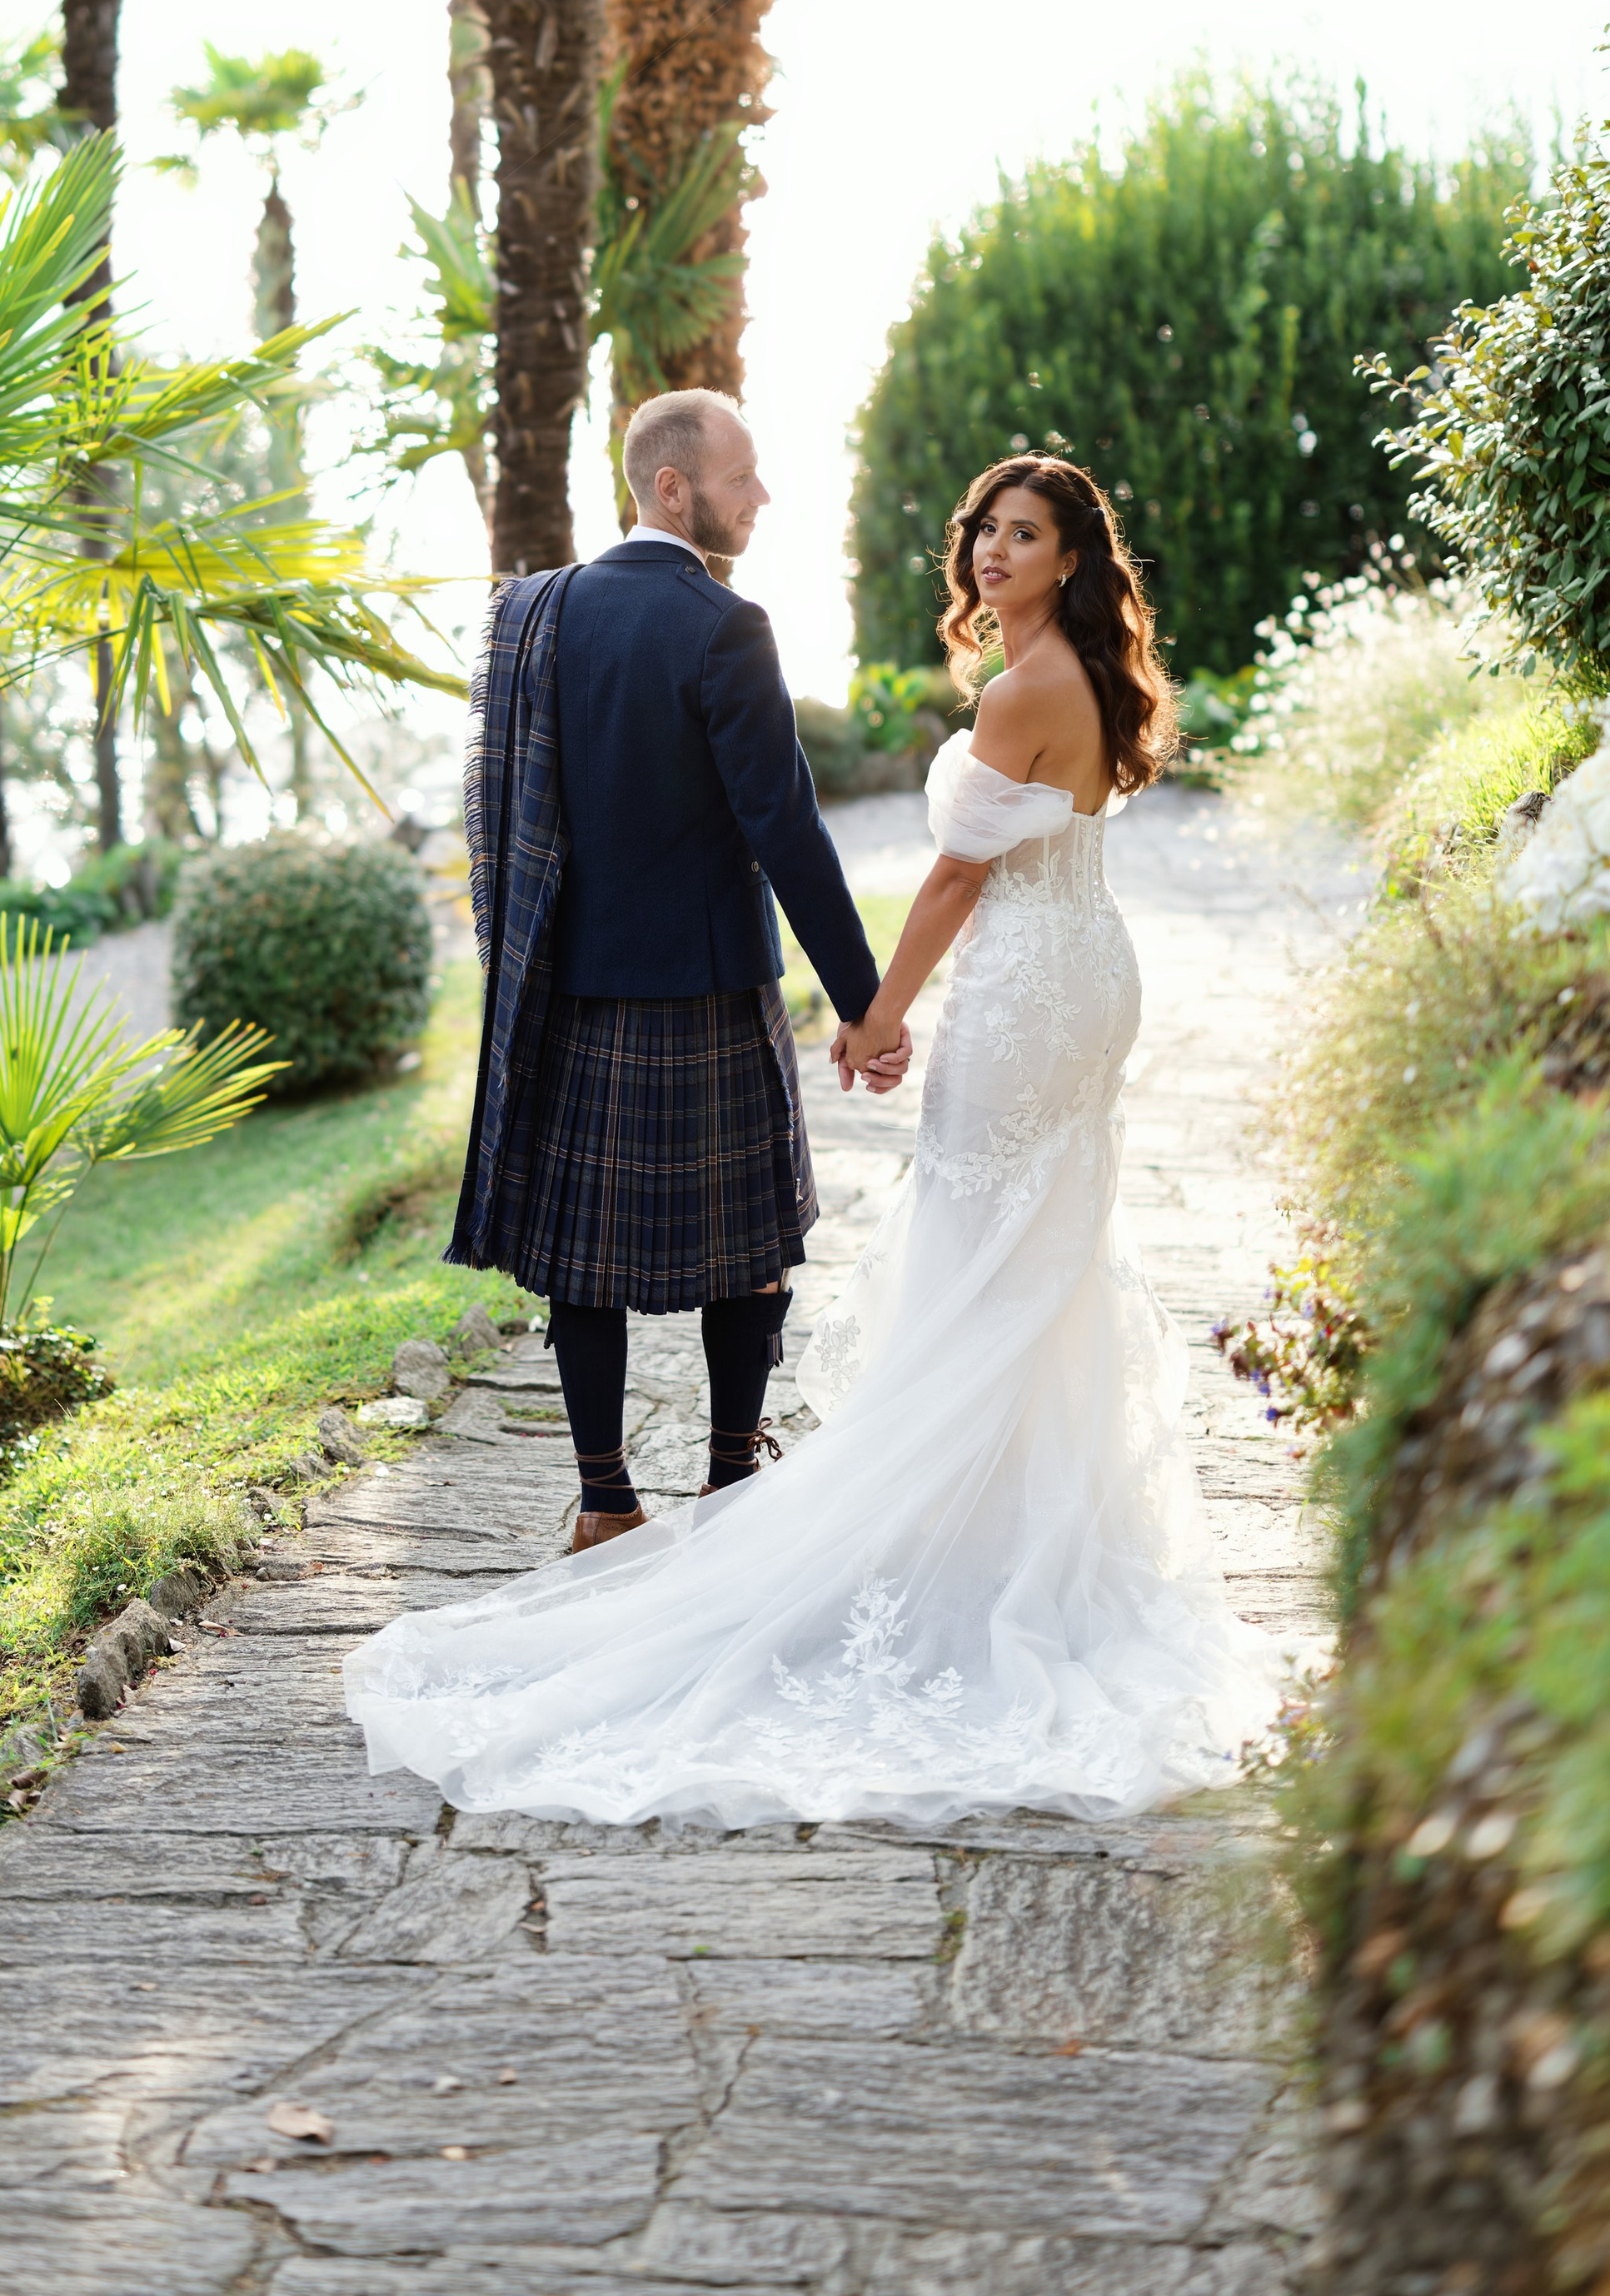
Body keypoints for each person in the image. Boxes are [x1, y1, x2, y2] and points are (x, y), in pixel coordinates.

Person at [344, 454, 1281, 1826]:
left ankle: (875, 1521)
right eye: (986, 532)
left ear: (1075, 558)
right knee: (1040, 1257)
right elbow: (792, 822)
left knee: (979, 1249)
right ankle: (1004, 1524)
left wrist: (875, 1011)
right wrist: (861, 996)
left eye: (1025, 535)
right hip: (1084, 974)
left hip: (1022, 992)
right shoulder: (1077, 675)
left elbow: (951, 874)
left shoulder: (1011, 690)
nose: (993, 553)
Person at [440, 389, 880, 1548]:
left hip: (571, 991)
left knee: (583, 1263)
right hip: (707, 994)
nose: (762, 495)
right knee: (749, 1253)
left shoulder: (540, 612)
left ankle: (605, 1501)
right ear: (672, 489)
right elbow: (785, 829)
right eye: (742, 477)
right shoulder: (724, 625)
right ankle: (731, 1482)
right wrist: (865, 1002)